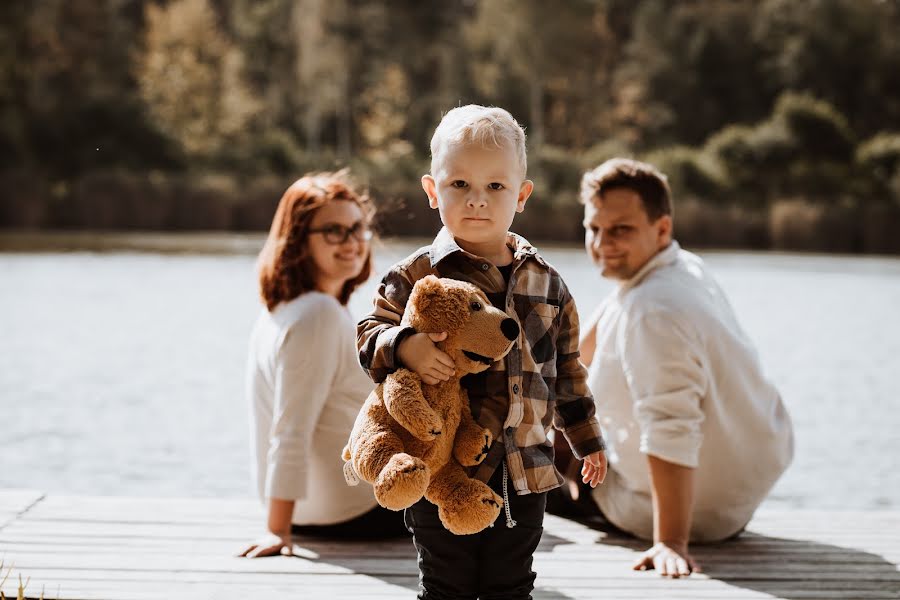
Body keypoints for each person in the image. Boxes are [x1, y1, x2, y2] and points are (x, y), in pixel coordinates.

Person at [357, 105, 607, 599]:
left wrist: (586, 439)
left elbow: (567, 371)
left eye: (495, 187)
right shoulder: (416, 274)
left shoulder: (548, 284)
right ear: (433, 191)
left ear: (522, 194)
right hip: (439, 459)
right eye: (459, 186)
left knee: (510, 583)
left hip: (523, 463)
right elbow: (368, 335)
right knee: (446, 582)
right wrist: (404, 345)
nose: (477, 201)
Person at [554, 158, 794, 577]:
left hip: (696, 513)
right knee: (556, 400)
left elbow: (670, 424)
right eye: (594, 229)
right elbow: (584, 345)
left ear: (661, 228)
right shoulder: (678, 269)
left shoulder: (653, 313)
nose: (602, 242)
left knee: (514, 462)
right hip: (737, 497)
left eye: (621, 230)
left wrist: (670, 542)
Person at [240, 172, 407, 559]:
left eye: (357, 229)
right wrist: (277, 531)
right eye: (333, 231)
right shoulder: (319, 315)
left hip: (312, 510)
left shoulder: (281, 311)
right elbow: (290, 429)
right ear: (298, 240)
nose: (350, 243)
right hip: (351, 509)